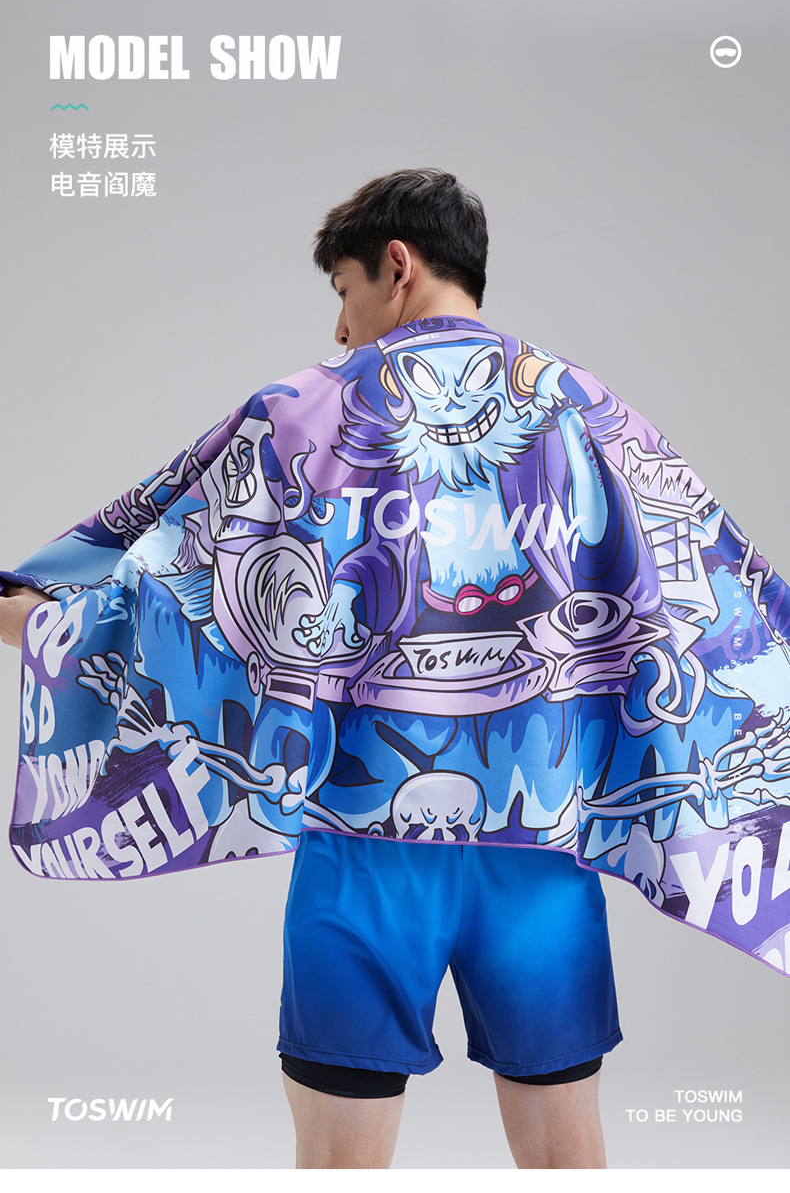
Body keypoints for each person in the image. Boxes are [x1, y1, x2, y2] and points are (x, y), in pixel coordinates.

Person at [3, 170, 790, 1169]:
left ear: (398, 266)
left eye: (344, 290)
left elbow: (175, 581)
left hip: (364, 844)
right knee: (567, 1160)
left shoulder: (306, 411)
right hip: (541, 844)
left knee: (339, 1166)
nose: (341, 327)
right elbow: (717, 589)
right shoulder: (587, 410)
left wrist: (38, 618)